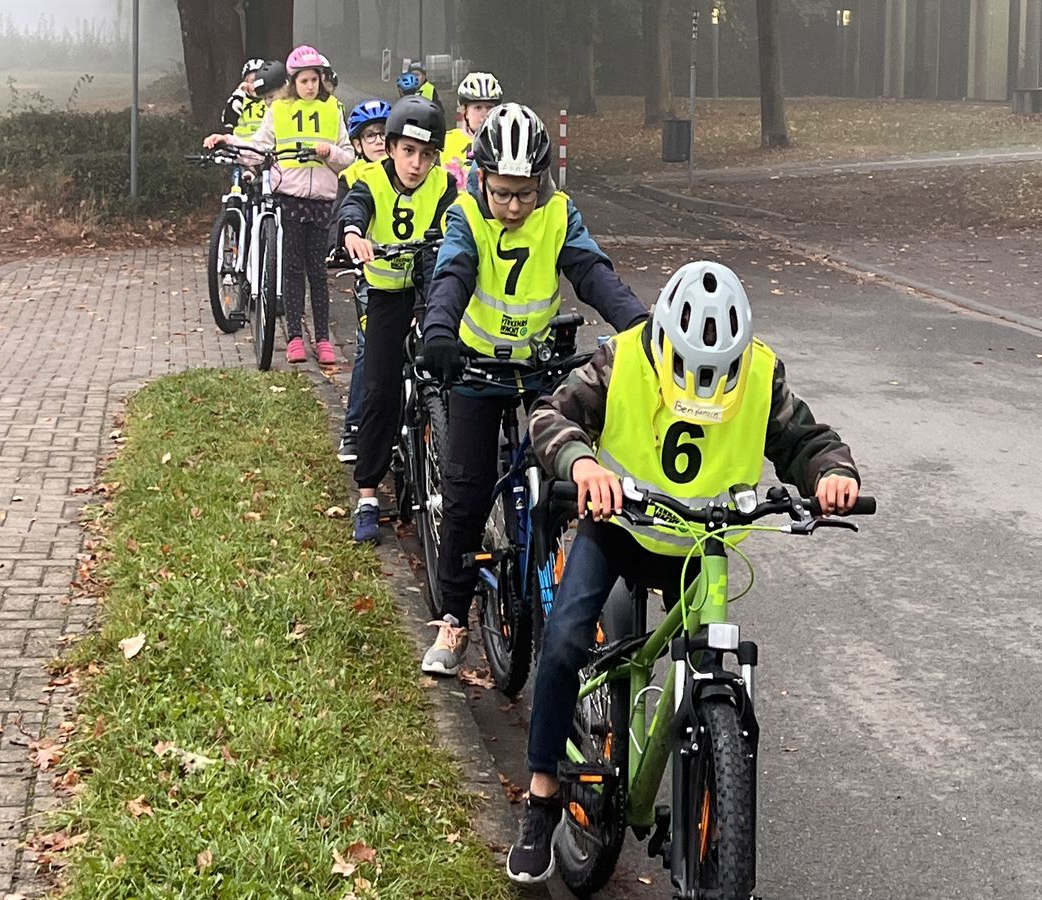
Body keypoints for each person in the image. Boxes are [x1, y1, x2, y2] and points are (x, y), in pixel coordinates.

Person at [504, 260, 862, 882]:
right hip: (620, 527)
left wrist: (832, 472)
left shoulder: (762, 374)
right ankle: (541, 797)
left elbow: (805, 439)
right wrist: (583, 464)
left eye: (719, 374)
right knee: (563, 642)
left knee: (709, 660)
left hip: (703, 544)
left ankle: (711, 783)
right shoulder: (622, 359)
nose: (703, 388)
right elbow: (550, 416)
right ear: (663, 339)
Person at [418, 103, 648, 676]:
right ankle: (453, 620)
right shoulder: (465, 216)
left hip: (540, 368)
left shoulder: (559, 213)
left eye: (525, 193)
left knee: (568, 474)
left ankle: (561, 580)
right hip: (476, 369)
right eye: (502, 193)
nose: (515, 206)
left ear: (542, 182)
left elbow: (592, 274)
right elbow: (453, 275)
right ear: (481, 180)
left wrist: (643, 329)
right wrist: (439, 330)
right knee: (467, 492)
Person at [337, 96, 457, 543]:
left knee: (450, 370)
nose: (416, 164)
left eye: (427, 154)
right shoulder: (370, 181)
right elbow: (354, 209)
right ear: (389, 148)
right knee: (380, 388)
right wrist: (353, 233)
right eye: (408, 151)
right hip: (387, 296)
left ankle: (450, 466)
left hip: (431, 290)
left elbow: (458, 221)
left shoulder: (444, 185)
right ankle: (368, 495)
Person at [204, 45, 355, 366]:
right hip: (291, 198)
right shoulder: (279, 111)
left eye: (315, 79)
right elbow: (257, 146)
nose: (310, 86)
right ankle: (295, 337)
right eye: (304, 80)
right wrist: (227, 141)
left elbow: (348, 157)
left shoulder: (332, 111)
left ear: (322, 80)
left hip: (322, 201)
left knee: (318, 273)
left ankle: (323, 340)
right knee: (293, 269)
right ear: (293, 82)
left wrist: (329, 152)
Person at [332, 99, 392, 464]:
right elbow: (340, 219)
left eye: (384, 134)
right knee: (369, 347)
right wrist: (342, 243)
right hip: (371, 276)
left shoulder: (408, 172)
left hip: (412, 272)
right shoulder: (352, 177)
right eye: (371, 136)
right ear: (356, 144)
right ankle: (354, 427)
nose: (379, 141)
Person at [440, 72, 502, 183]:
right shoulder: (446, 141)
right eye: (478, 108)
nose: (485, 114)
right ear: (465, 111)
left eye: (489, 107)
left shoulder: (505, 143)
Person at [221, 58, 269, 139]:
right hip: (241, 145)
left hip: (266, 145)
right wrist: (238, 95)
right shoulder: (240, 100)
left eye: (259, 81)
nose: (255, 85)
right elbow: (228, 121)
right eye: (252, 81)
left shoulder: (271, 100)